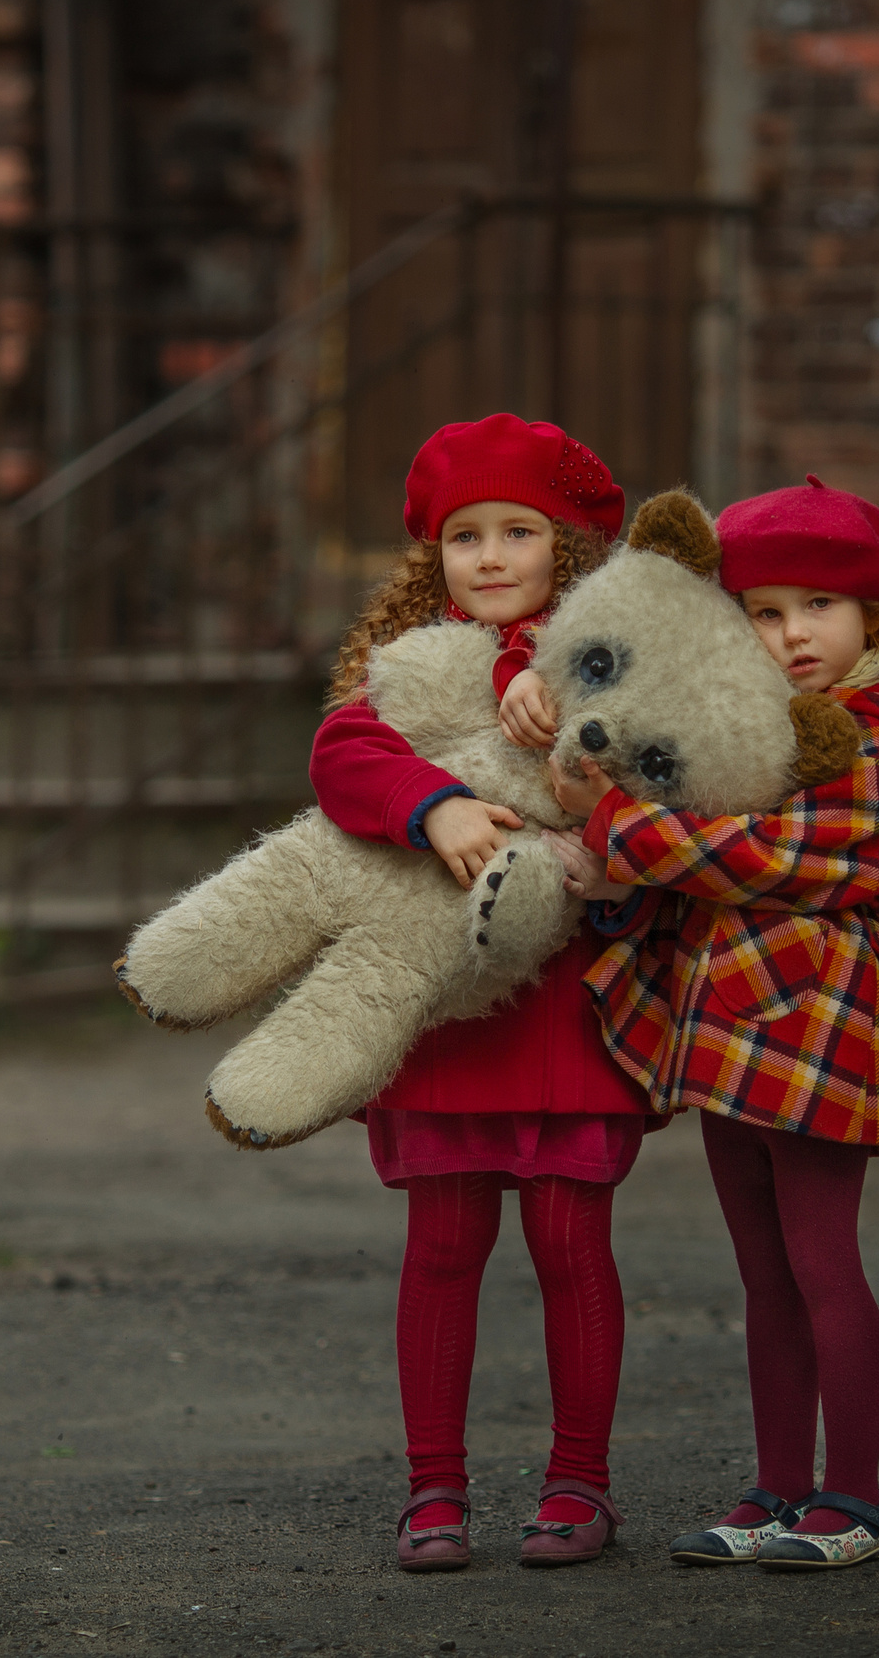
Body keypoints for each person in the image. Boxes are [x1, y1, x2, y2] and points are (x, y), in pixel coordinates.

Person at [539, 476, 879, 1571]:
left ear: (872, 614)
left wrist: (618, 821)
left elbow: (784, 858)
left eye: (819, 606)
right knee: (763, 1273)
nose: (794, 633)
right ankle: (777, 1488)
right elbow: (691, 841)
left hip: (817, 1016)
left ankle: (854, 1496)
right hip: (723, 1018)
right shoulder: (742, 718)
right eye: (764, 611)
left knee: (823, 1263)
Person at [310, 413, 653, 1571]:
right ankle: (433, 1489)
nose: (491, 556)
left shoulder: (613, 656)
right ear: (434, 556)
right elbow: (342, 755)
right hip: (450, 1006)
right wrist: (436, 804)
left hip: (566, 1001)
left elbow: (672, 772)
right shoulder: (411, 664)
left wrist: (600, 804)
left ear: (568, 547)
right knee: (444, 1244)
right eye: (466, 536)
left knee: (569, 1242)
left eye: (519, 531)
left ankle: (580, 1482)